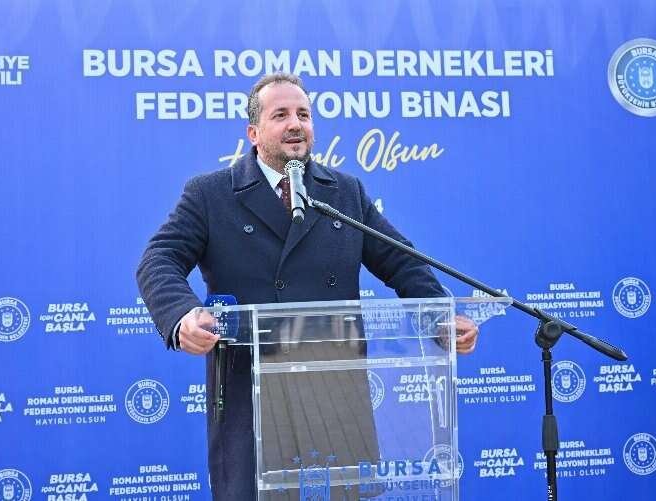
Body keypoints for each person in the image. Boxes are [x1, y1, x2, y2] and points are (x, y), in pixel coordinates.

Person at [137, 72, 478, 500]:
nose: (295, 124)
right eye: (280, 115)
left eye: (303, 114)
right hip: (252, 396)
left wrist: (439, 316)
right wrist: (183, 315)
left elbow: (401, 261)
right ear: (254, 133)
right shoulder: (210, 195)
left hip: (335, 394)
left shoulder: (344, 192)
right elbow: (158, 260)